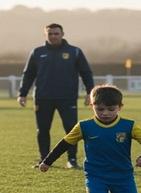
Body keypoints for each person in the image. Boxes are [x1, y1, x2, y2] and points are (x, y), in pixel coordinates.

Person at [18, 23, 95, 169]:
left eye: (56, 34)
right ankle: (44, 160)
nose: (53, 36)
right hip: (42, 97)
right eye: (50, 34)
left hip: (67, 97)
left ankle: (72, 160)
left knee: (71, 130)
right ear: (45, 35)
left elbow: (86, 73)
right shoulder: (37, 52)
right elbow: (28, 74)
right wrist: (22, 94)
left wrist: (90, 93)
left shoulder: (75, 52)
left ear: (62, 34)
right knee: (42, 130)